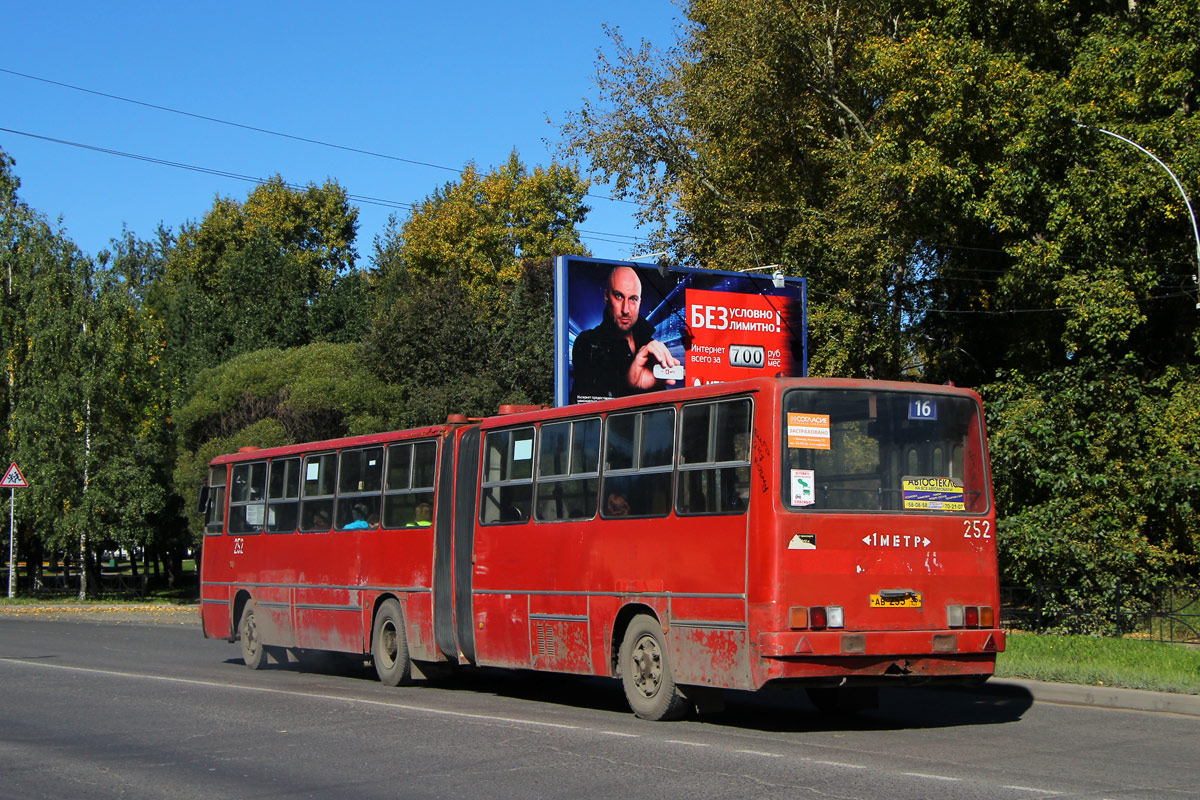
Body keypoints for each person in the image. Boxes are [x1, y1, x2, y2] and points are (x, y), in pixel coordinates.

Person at [571, 266, 681, 402]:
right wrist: (630, 382)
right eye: (619, 296)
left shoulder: (652, 347)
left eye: (633, 299)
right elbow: (585, 403)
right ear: (606, 296)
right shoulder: (587, 342)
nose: (626, 309)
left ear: (640, 301)